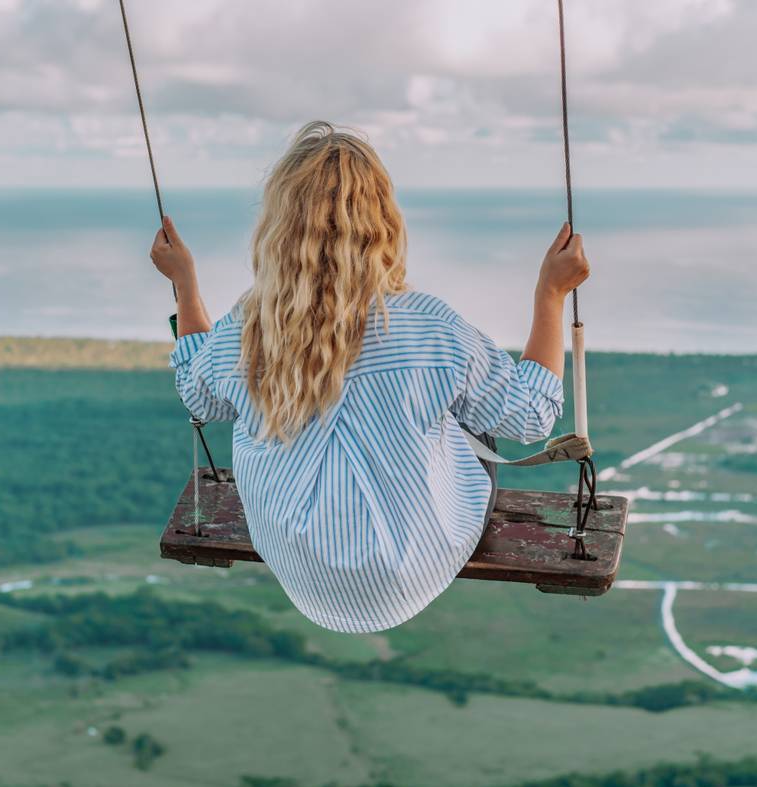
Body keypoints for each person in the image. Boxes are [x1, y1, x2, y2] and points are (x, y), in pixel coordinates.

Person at [150, 121, 590, 633]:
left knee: (256, 401)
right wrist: (551, 295)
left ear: (278, 228)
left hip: (302, 569)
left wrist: (184, 282)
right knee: (470, 415)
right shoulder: (430, 327)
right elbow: (532, 415)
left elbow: (199, 397)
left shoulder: (247, 327)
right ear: (382, 221)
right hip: (416, 569)